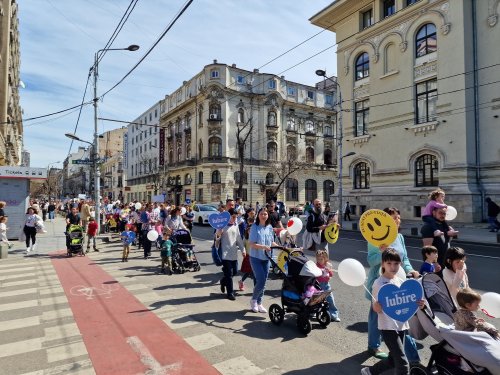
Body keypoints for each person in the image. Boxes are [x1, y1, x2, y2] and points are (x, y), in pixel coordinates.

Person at [366, 207, 420, 361]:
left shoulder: (400, 237)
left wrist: (411, 270)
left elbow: (405, 259)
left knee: (400, 313)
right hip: (381, 282)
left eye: (398, 217)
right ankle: (373, 346)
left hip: (399, 281)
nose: (397, 220)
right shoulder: (375, 238)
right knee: (377, 314)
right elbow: (371, 261)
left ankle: (397, 349)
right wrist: (381, 251)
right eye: (393, 218)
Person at [361, 248, 425, 375]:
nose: (393, 267)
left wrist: (420, 304)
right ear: (383, 263)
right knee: (403, 364)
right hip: (388, 328)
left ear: (400, 264)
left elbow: (408, 302)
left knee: (392, 359)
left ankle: (369, 371)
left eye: (396, 263)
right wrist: (377, 307)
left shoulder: (400, 281)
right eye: (389, 263)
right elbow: (375, 308)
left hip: (402, 326)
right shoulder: (378, 283)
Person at [248, 208, 278, 313]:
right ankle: (253, 300)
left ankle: (259, 303)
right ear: (258, 215)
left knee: (264, 281)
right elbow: (251, 244)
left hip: (267, 258)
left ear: (268, 216)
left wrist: (280, 246)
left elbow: (271, 242)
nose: (264, 216)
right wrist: (264, 247)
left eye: (265, 214)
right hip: (256, 258)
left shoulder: (269, 227)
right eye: (262, 214)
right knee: (260, 280)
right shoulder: (254, 227)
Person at [217, 208, 246, 301]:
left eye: (236, 217)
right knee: (229, 274)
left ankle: (223, 281)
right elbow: (216, 241)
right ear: (228, 216)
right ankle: (230, 293)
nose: (235, 219)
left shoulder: (235, 225)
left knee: (235, 272)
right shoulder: (222, 225)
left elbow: (238, 239)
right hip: (225, 253)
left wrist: (243, 249)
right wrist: (219, 234)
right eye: (233, 217)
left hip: (233, 253)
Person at [315, 249, 340, 322]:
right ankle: (314, 312)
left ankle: (334, 315)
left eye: (321, 259)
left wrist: (329, 271)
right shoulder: (316, 266)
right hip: (318, 286)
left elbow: (331, 275)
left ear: (325, 259)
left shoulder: (327, 266)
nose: (319, 260)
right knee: (316, 301)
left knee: (330, 300)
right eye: (318, 259)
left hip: (326, 285)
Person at [239, 216, 255, 291]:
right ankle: (241, 281)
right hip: (248, 257)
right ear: (247, 231)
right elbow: (242, 247)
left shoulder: (256, 238)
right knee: (250, 272)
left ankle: (255, 288)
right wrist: (243, 251)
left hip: (255, 257)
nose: (251, 231)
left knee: (254, 273)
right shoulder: (245, 239)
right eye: (249, 230)